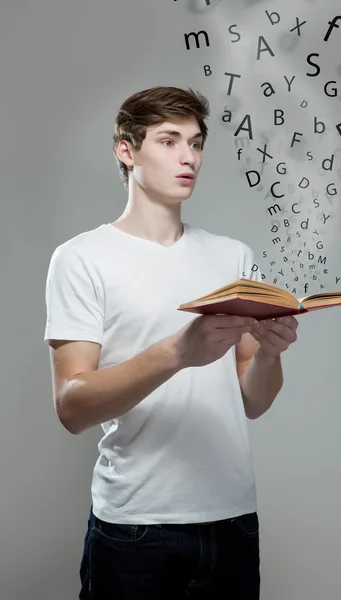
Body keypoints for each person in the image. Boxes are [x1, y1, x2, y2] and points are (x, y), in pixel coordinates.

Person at [44, 86, 298, 599]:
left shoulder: (233, 256)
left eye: (197, 143)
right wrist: (178, 353)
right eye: (169, 140)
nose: (188, 157)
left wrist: (269, 352)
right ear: (126, 149)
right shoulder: (81, 259)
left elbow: (253, 401)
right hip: (134, 524)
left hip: (232, 519)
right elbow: (71, 407)